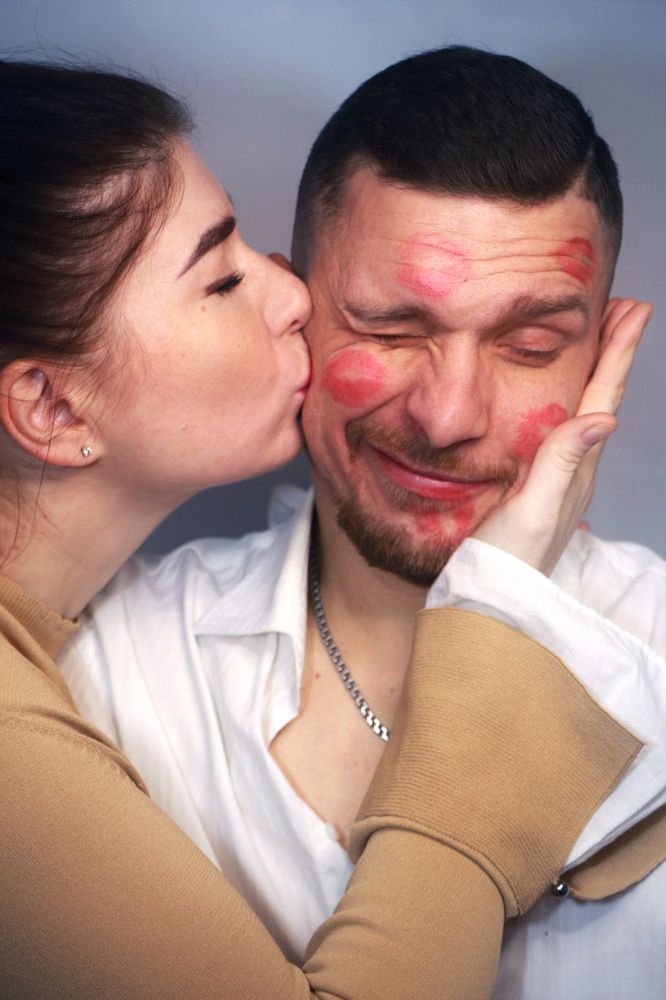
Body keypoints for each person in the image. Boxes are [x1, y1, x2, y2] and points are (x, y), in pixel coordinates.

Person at [0, 57, 643, 1000]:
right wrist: (500, 609)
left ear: (601, 353)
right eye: (385, 327)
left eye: (530, 345)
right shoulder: (104, 680)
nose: (448, 415)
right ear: (52, 408)